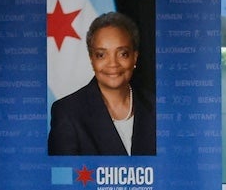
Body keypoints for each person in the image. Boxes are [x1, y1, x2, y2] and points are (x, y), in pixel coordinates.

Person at [48, 11, 157, 157]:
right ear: (92, 59)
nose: (113, 64)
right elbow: (62, 176)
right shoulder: (67, 112)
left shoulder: (156, 106)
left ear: (135, 57)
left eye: (122, 53)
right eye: (101, 55)